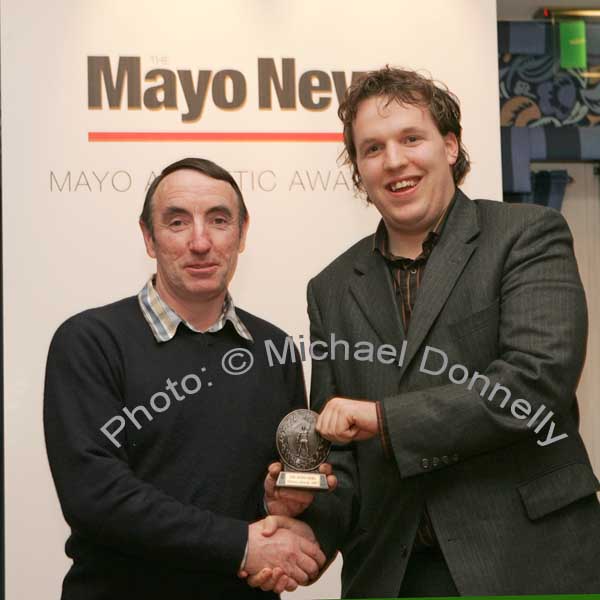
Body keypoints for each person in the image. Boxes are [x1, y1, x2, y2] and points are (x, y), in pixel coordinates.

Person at [251, 67, 600, 597]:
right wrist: (304, 509)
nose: (394, 161)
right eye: (372, 149)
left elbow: (535, 383)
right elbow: (342, 455)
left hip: (527, 562)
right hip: (394, 576)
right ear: (359, 172)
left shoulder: (526, 235)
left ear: (451, 146)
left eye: (411, 138)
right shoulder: (331, 288)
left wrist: (381, 418)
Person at [43, 157, 327, 599]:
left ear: (242, 233)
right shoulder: (89, 342)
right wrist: (240, 546)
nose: (200, 242)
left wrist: (274, 505)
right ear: (148, 237)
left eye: (219, 220)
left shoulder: (277, 350)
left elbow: (256, 493)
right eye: (178, 222)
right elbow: (95, 497)